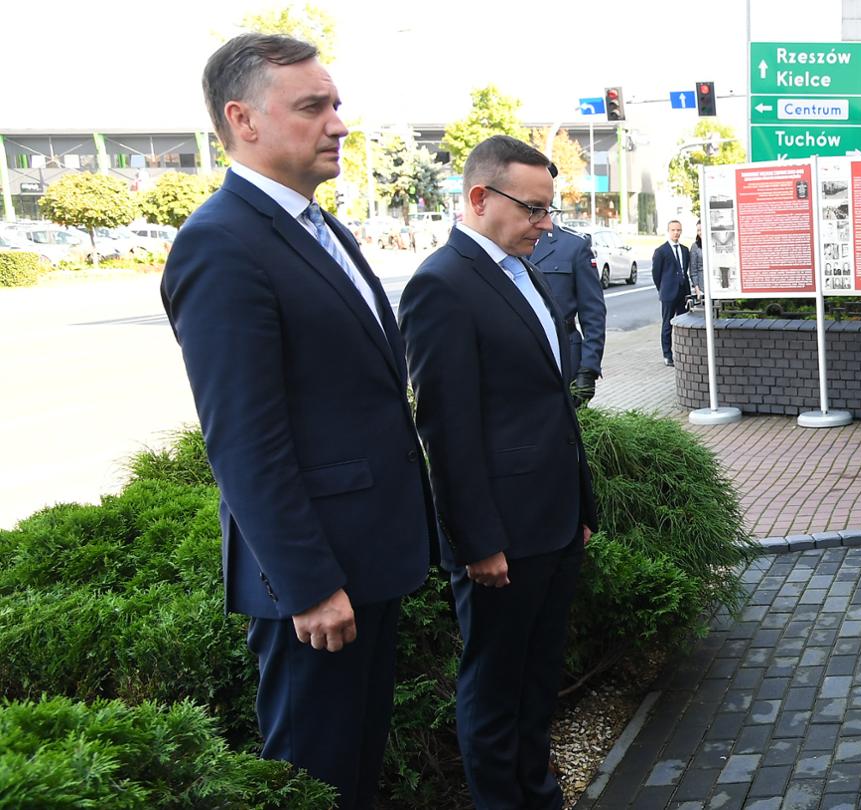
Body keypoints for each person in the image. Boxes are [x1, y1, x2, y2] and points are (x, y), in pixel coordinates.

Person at [160, 34, 434, 808]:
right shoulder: (220, 244)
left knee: (355, 766)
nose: (339, 123)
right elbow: (244, 440)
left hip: (368, 560)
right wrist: (309, 585)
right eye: (314, 106)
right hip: (317, 586)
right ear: (243, 119)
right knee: (313, 778)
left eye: (337, 104)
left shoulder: (317, 225)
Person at [398, 135, 598, 810]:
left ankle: (537, 797)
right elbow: (445, 431)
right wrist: (475, 541)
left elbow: (551, 406)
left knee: (537, 682)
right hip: (500, 538)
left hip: (553, 521)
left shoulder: (525, 271)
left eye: (550, 208)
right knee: (494, 689)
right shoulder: (441, 285)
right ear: (480, 198)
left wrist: (582, 503)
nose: (548, 224)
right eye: (536, 209)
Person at [529, 217, 605, 405]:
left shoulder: (573, 245)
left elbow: (593, 312)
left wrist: (589, 368)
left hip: (564, 354)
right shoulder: (506, 243)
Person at [650, 220, 696, 366]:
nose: (676, 233)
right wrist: (662, 288)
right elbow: (656, 274)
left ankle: (682, 352)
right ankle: (667, 354)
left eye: (678, 230)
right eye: (673, 230)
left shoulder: (684, 250)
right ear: (668, 231)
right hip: (668, 293)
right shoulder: (661, 251)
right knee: (667, 324)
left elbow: (685, 269)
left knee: (683, 323)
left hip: (683, 291)